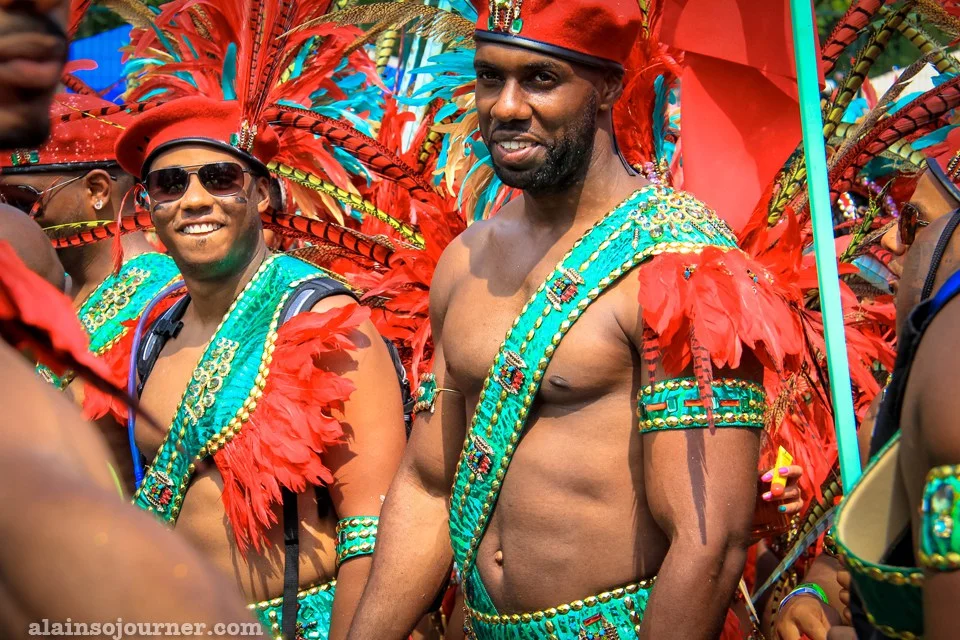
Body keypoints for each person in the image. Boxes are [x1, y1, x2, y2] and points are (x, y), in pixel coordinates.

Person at [347, 3, 810, 639]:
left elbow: (711, 542)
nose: (506, 107)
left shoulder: (684, 267)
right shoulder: (466, 261)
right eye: (490, 77)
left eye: (540, 79)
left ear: (609, 88)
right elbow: (429, 485)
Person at [112, 91, 407, 640]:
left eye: (220, 178)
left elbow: (373, 528)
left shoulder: (319, 318)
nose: (194, 200)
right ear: (146, 205)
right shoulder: (155, 329)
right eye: (170, 184)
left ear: (262, 192)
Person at [0, 93, 181, 391]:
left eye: (22, 201)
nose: (12, 220)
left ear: (97, 191)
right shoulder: (57, 291)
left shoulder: (167, 300)